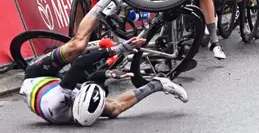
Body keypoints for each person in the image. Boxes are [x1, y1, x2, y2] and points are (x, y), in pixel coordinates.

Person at [19, 37, 188, 126]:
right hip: (48, 89)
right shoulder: (65, 106)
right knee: (113, 110)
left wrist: (118, 49)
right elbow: (92, 77)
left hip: (34, 75)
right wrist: (108, 73)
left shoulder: (62, 99)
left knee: (76, 48)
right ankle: (159, 84)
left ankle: (97, 12)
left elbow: (80, 63)